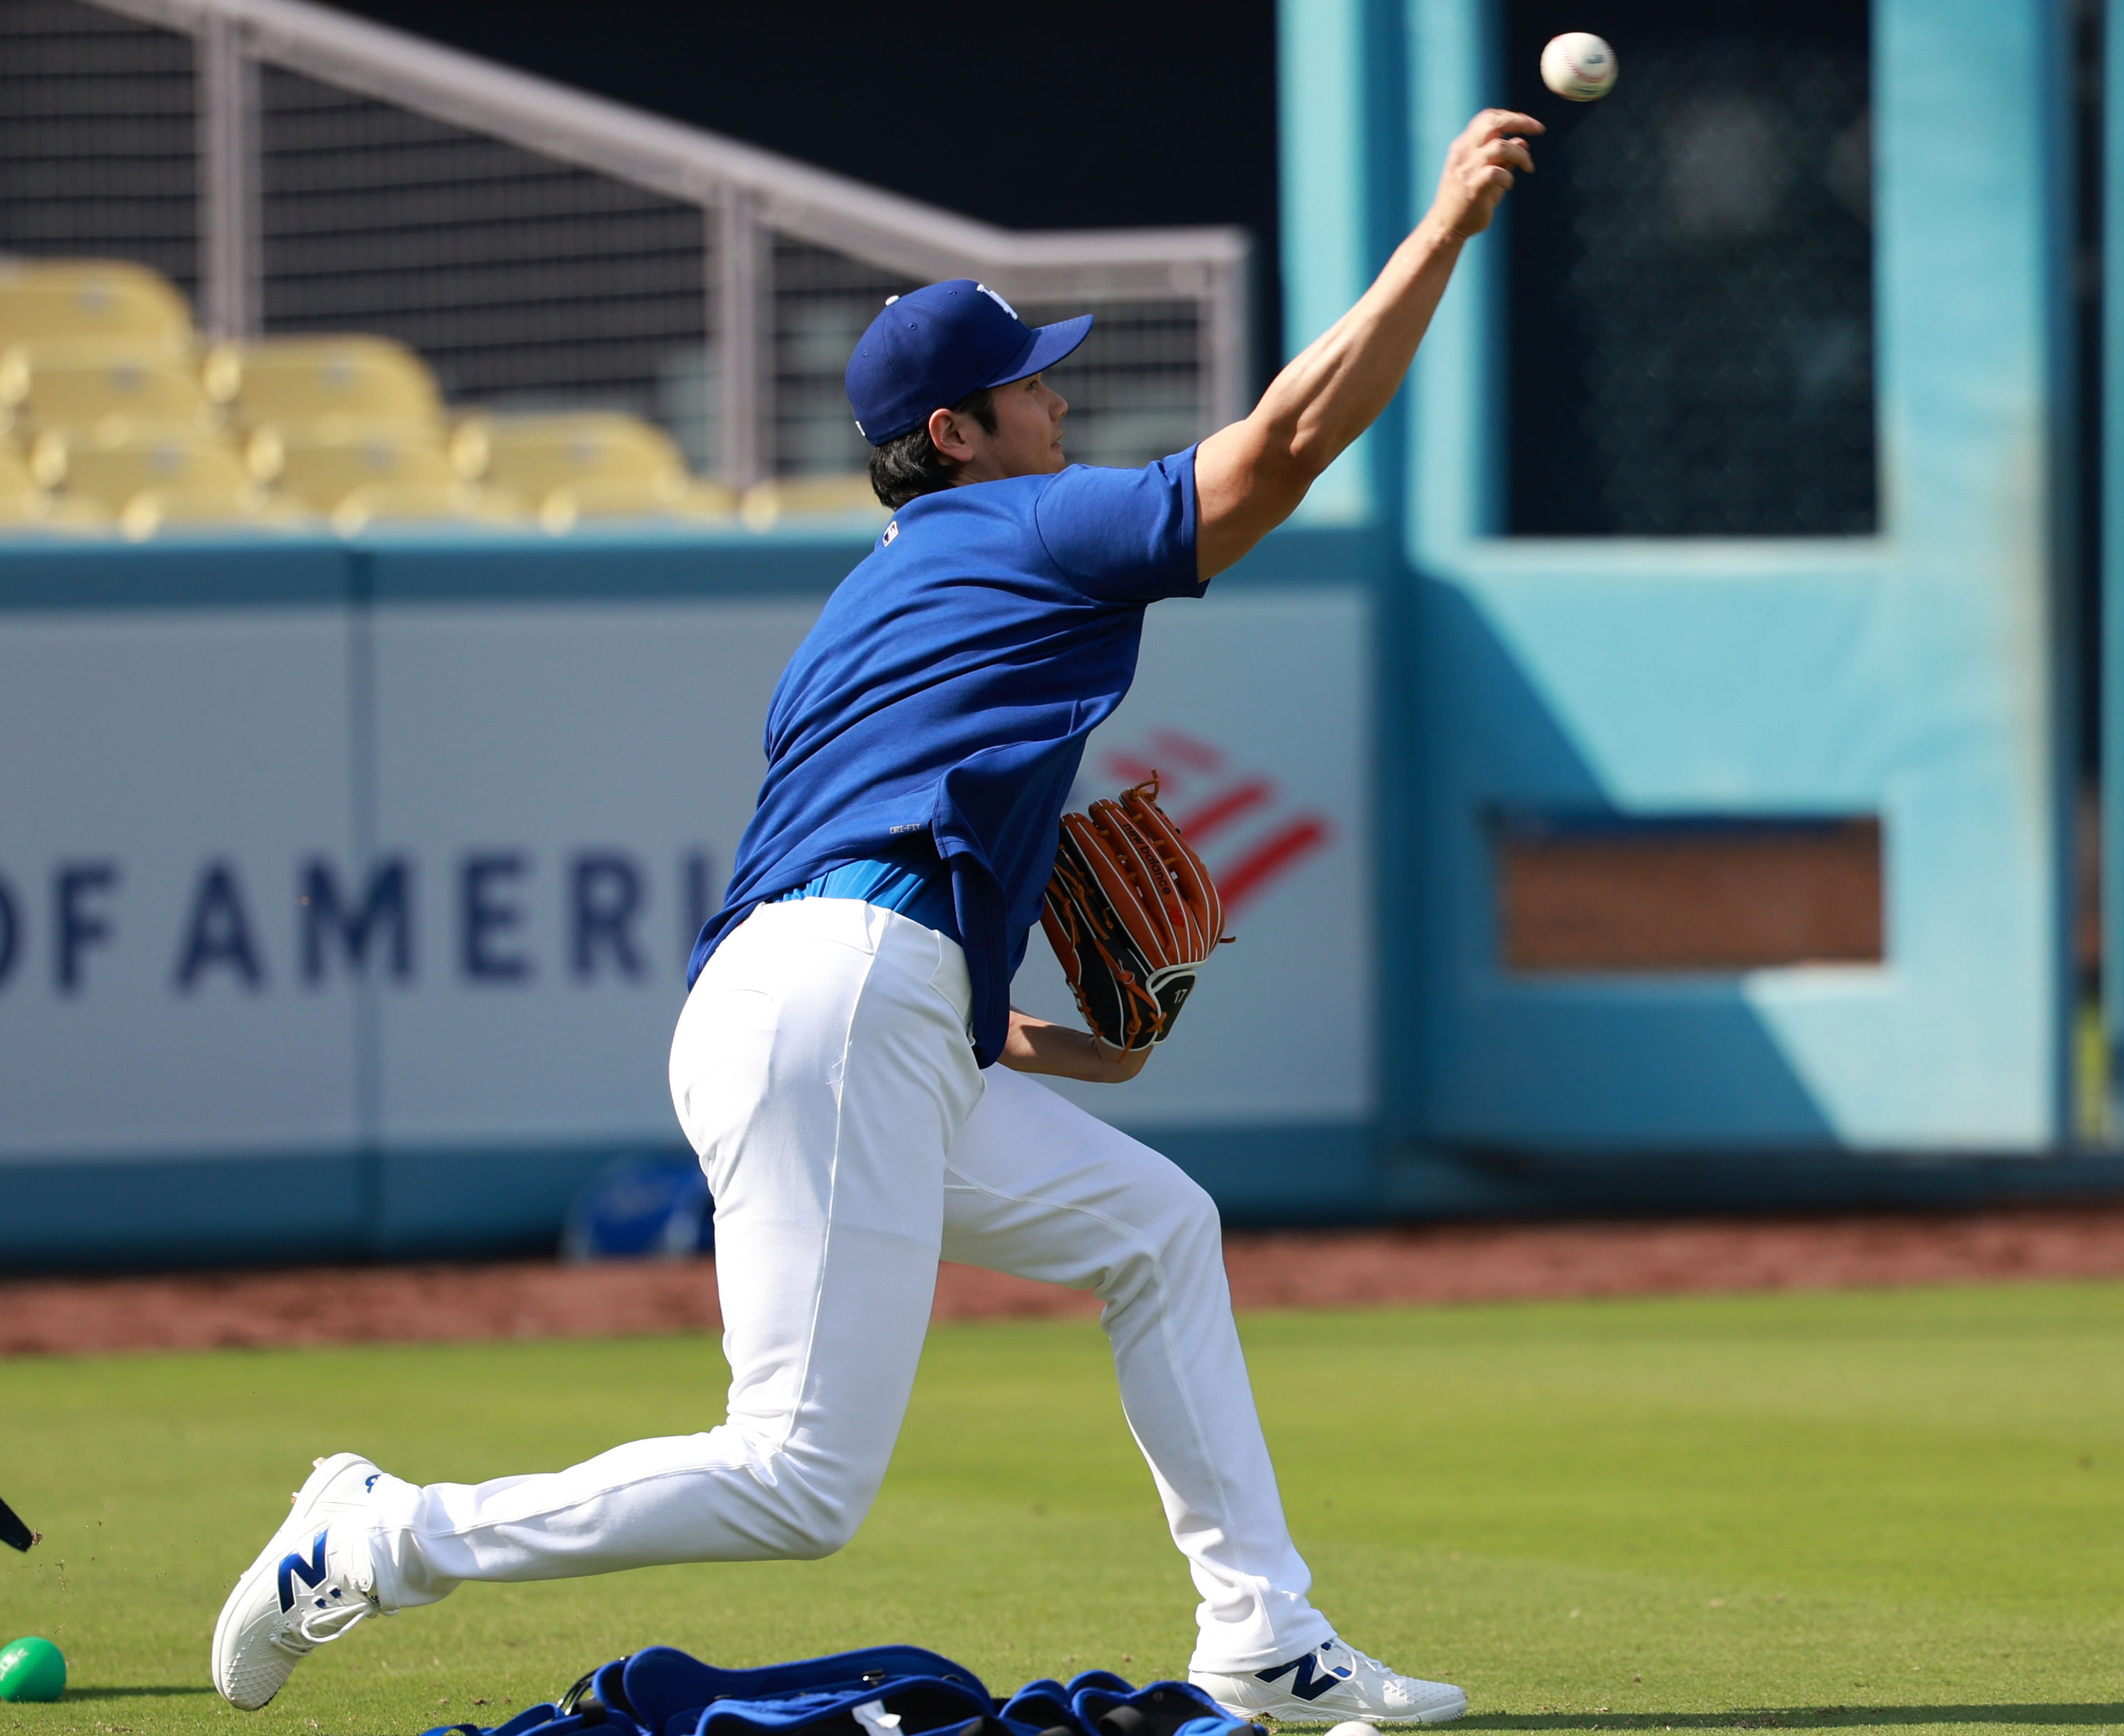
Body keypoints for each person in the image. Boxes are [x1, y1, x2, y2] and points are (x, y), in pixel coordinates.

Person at [211, 106, 1542, 1726]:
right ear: (959, 433)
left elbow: (867, 897)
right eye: (1034, 382)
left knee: (1157, 1231)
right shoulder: (1025, 526)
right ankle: (383, 1536)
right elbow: (1280, 447)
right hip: (841, 1001)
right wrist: (1442, 236)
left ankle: (1262, 1632)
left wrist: (1026, 1040)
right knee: (796, 1481)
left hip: (834, 1000)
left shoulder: (876, 601)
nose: (1062, 398)